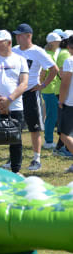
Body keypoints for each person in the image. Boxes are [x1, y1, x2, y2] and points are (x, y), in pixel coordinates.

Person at [11, 23, 59, 171]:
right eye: (16, 35)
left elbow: (54, 69)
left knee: (34, 127)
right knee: (14, 126)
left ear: (28, 36)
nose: (17, 38)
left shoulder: (38, 51)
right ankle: (14, 158)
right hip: (16, 94)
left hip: (31, 93)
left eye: (20, 35)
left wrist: (42, 85)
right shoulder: (13, 51)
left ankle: (36, 159)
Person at [0, 30, 29, 173]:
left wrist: (9, 100)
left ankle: (16, 170)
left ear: (9, 43)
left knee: (16, 140)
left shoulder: (20, 60)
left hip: (15, 106)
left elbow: (24, 83)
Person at [41, 32, 62, 150]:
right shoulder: (48, 55)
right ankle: (48, 141)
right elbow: (43, 72)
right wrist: (42, 84)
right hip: (49, 90)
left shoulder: (51, 54)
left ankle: (49, 139)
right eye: (58, 41)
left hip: (51, 89)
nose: (59, 43)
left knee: (52, 115)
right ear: (52, 43)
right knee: (51, 116)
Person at [59, 35, 73, 173]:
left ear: (69, 47)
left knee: (64, 135)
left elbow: (65, 82)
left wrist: (61, 100)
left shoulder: (70, 61)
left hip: (71, 103)